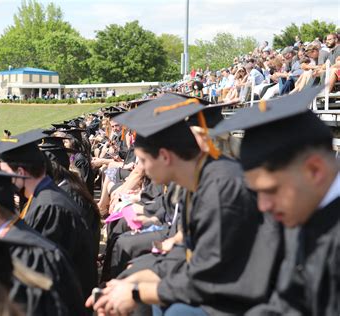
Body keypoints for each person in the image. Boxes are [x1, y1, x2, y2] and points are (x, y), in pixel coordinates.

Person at [87, 93, 282, 315]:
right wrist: (132, 280)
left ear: (165, 156)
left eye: (142, 161)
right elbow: (189, 252)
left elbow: (210, 274)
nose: (140, 169)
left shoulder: (221, 187)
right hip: (208, 280)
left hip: (239, 297)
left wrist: (136, 292)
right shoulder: (197, 183)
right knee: (131, 275)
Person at [212, 87, 339, 316]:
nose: (263, 206)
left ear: (314, 170)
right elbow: (288, 304)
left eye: (271, 190)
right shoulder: (303, 214)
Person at [0, 129, 98, 299]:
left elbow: (38, 266)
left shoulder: (49, 207)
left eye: (5, 172)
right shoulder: (44, 196)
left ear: (20, 172)